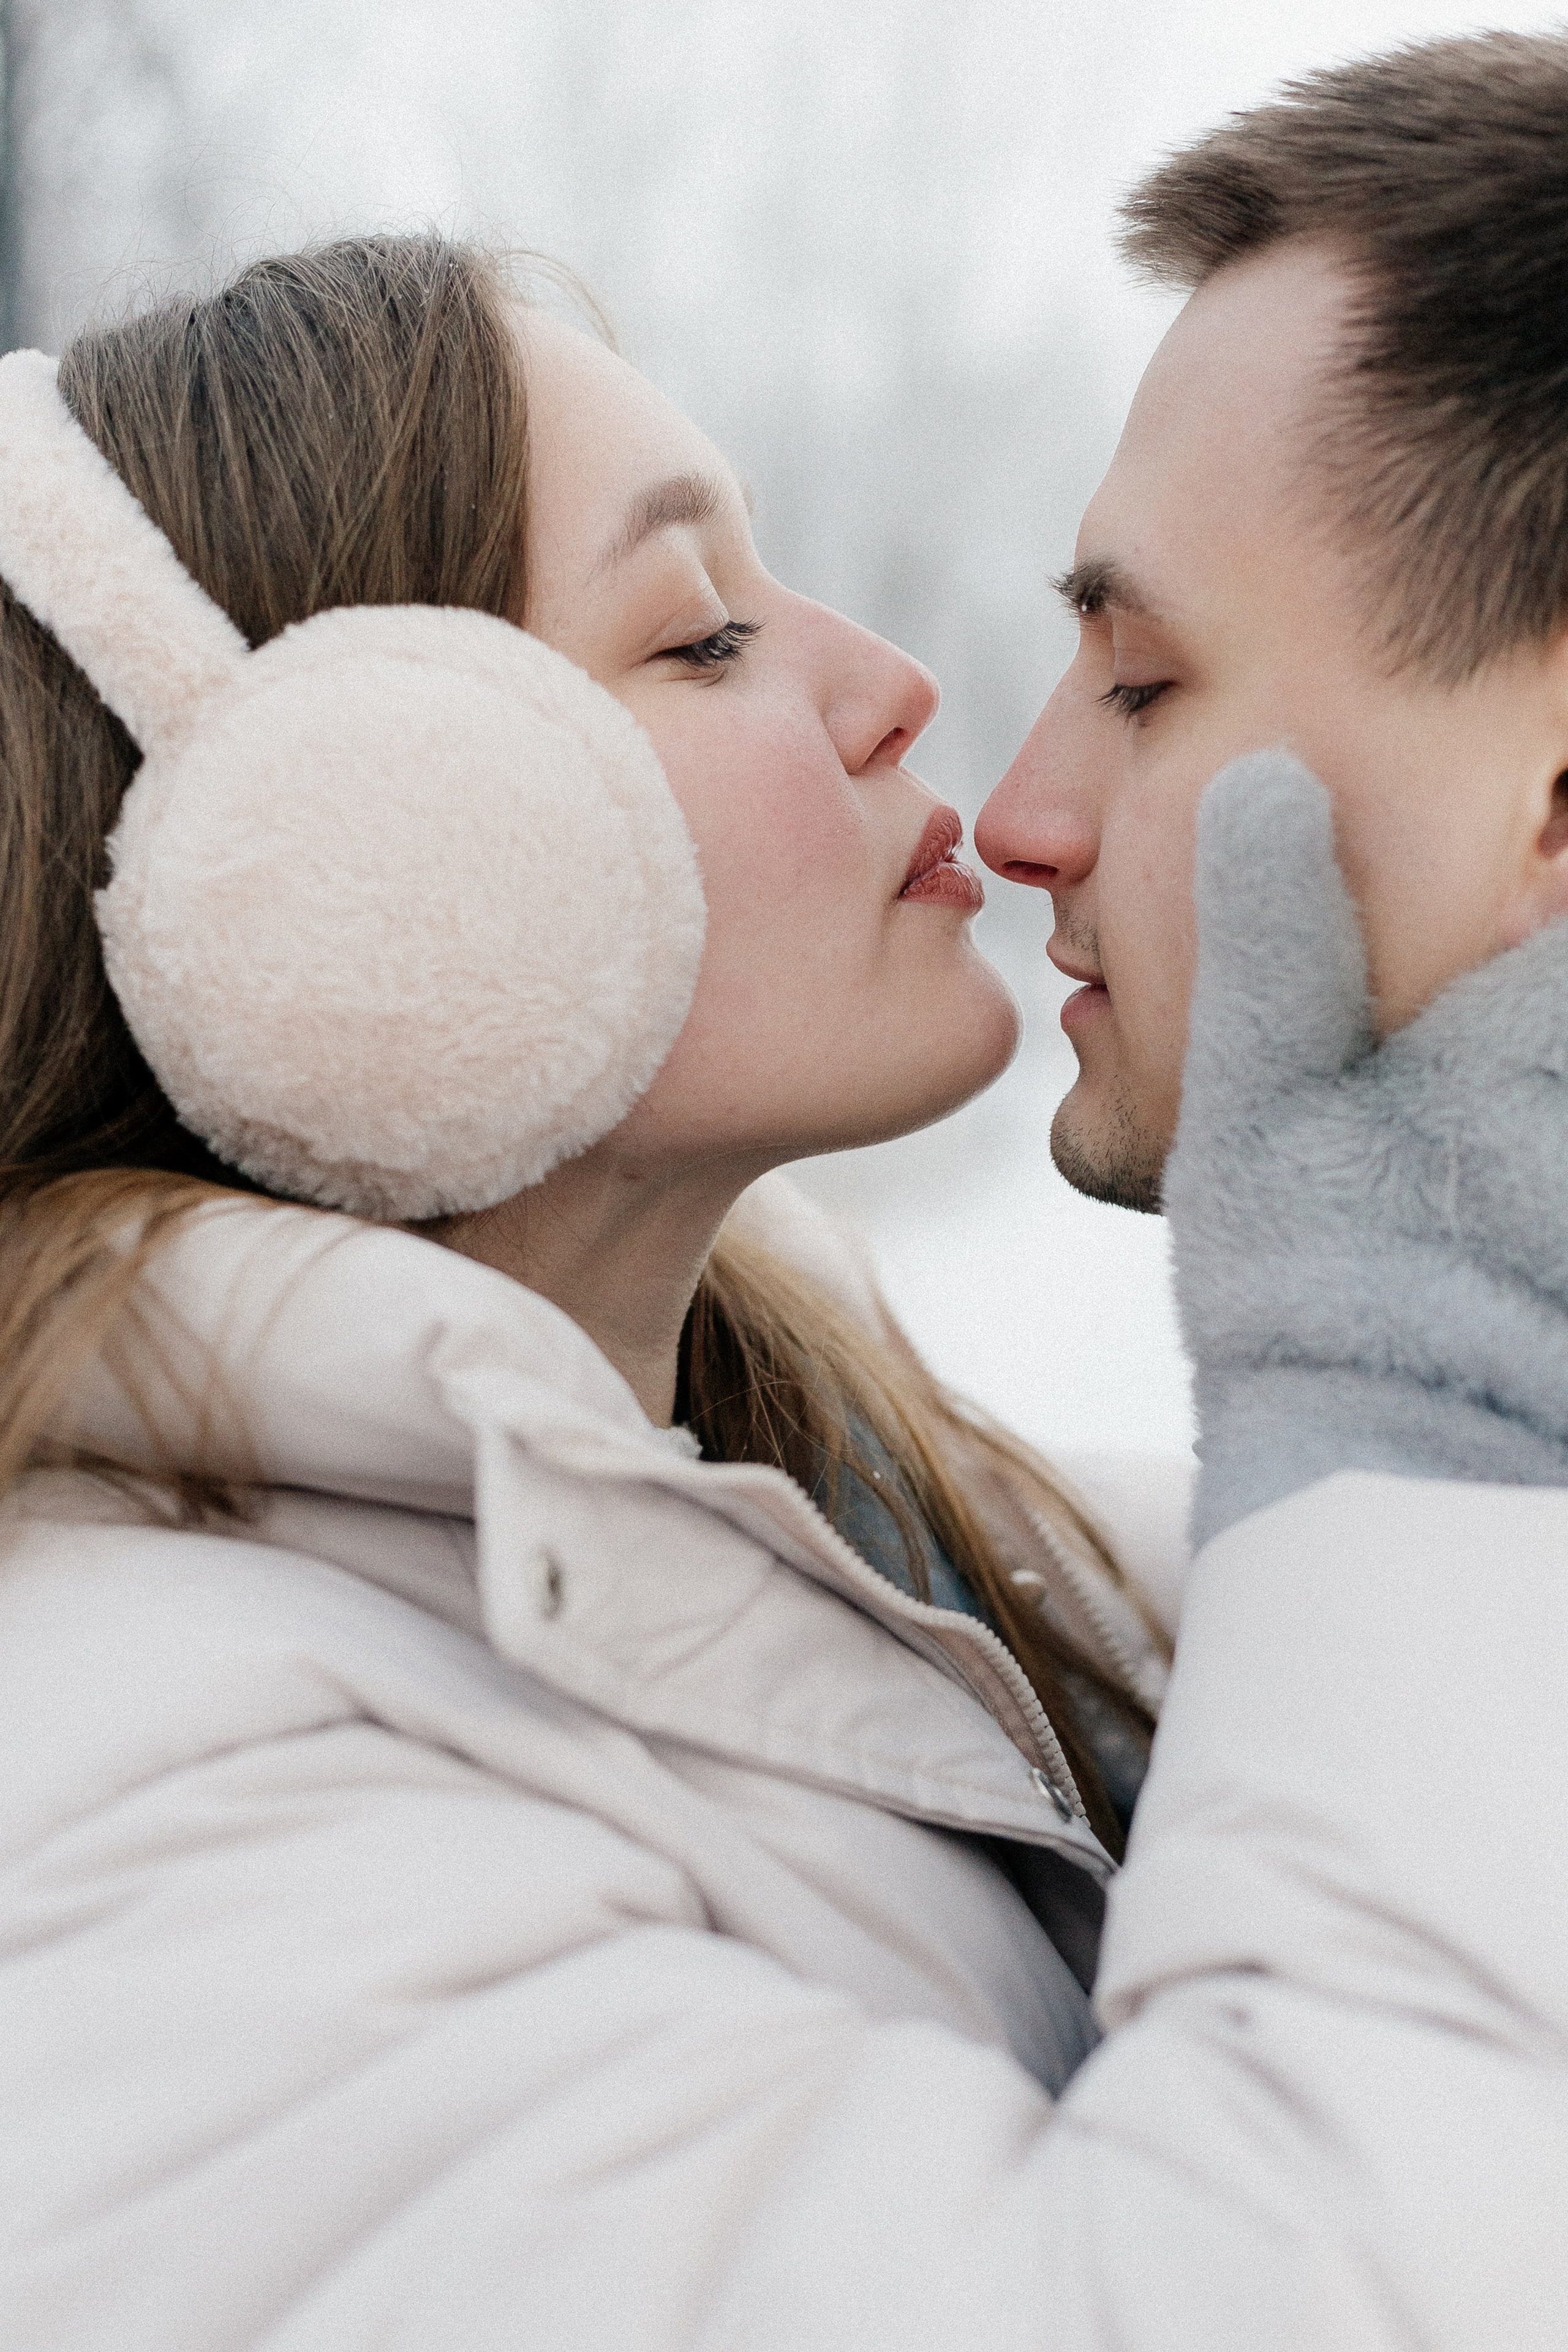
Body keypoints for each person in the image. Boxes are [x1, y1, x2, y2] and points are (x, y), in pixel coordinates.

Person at [0, 205, 1561, 2352]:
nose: (895, 685)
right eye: (705, 633)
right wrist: (1424, 1424)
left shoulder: (845, 1531)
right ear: (338, 868)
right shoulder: (137, 1822)